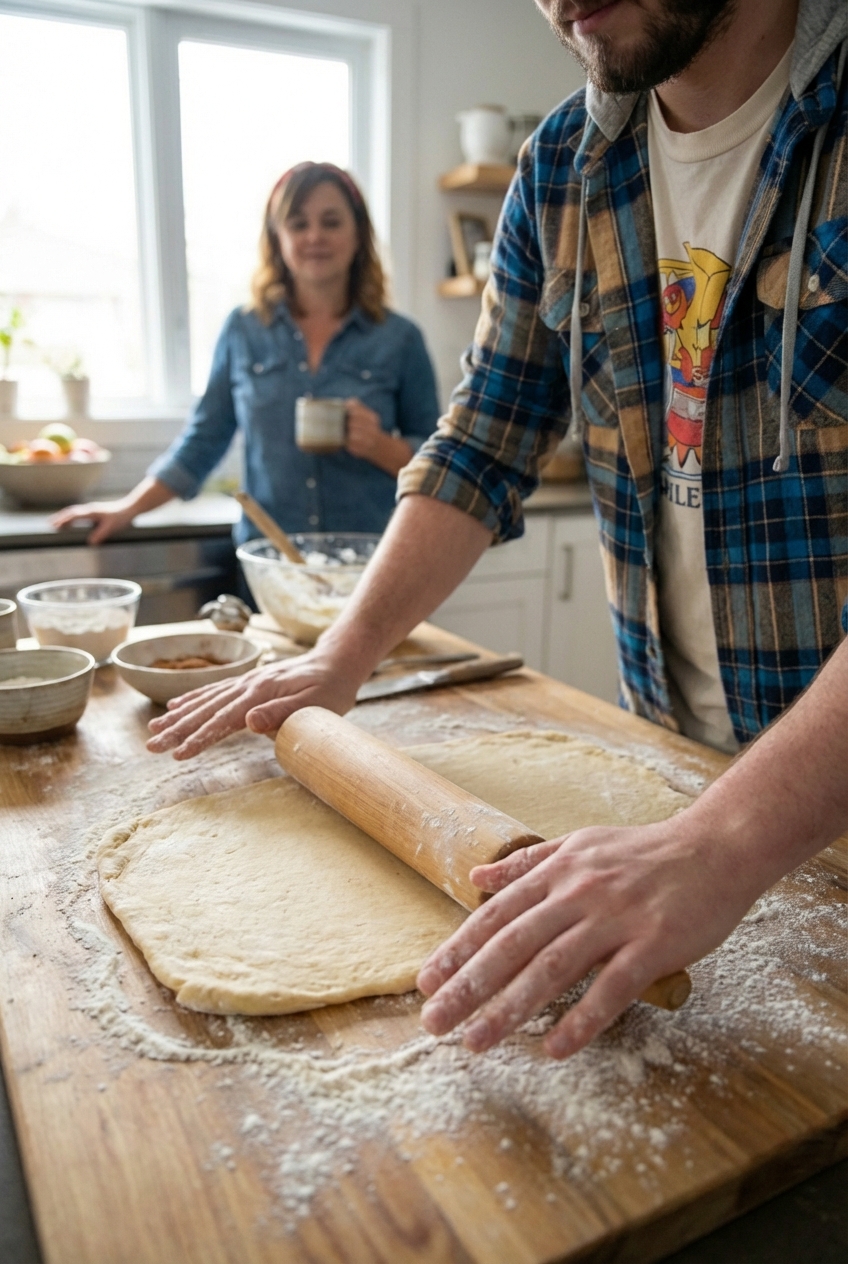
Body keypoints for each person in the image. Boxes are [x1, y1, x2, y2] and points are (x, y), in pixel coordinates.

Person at [147, 0, 847, 1061]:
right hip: (676, 778)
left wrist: (724, 839)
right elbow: (480, 441)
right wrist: (342, 655)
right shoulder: (565, 167)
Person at [52, 162, 440, 546]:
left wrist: (380, 446)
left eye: (331, 222)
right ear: (277, 237)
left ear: (358, 234)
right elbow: (203, 440)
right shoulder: (243, 330)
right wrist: (128, 508)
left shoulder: (401, 339)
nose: (315, 236)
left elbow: (437, 465)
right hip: (269, 559)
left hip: (369, 557)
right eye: (298, 224)